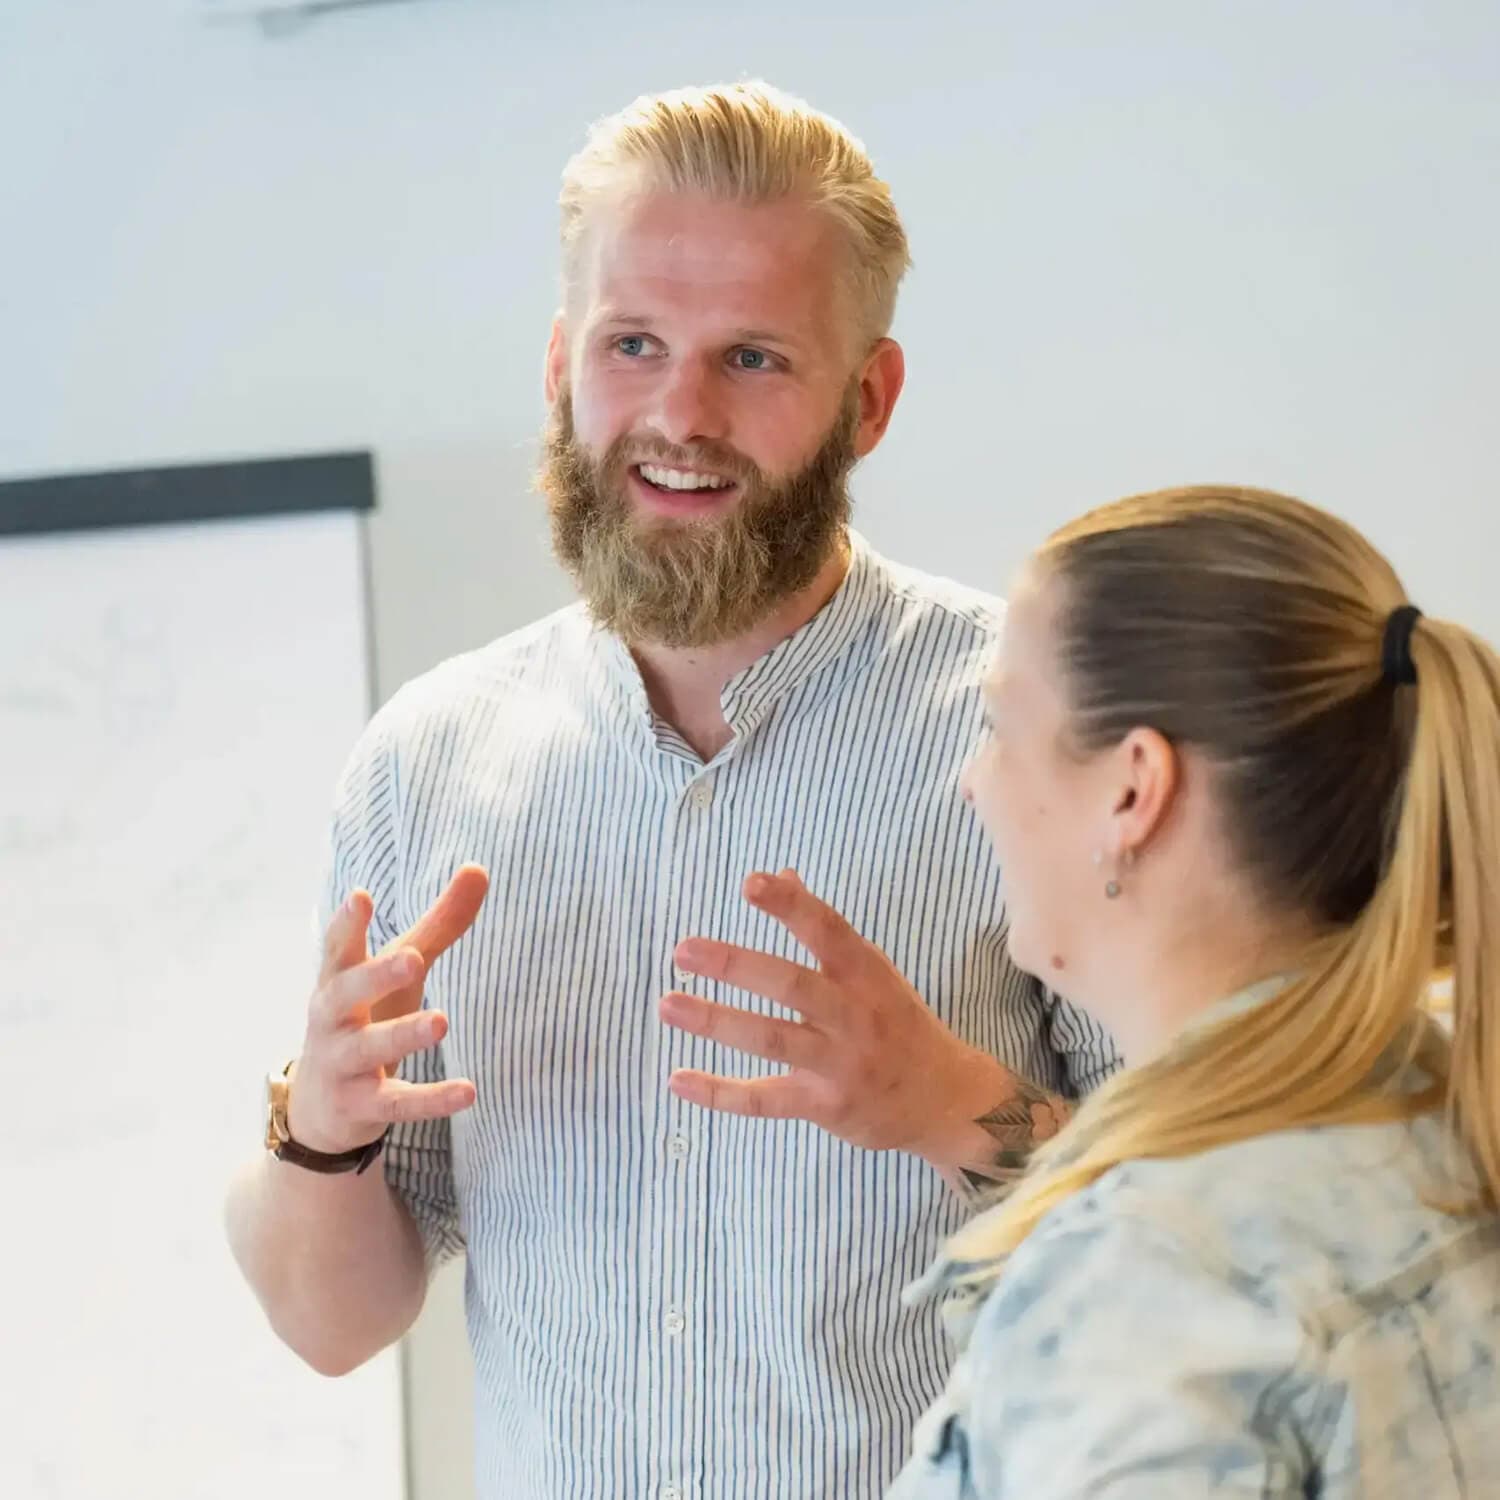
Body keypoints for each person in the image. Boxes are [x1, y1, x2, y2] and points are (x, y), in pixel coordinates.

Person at [224, 81, 1118, 1499]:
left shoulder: (1044, 731)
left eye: (753, 357)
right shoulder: (428, 760)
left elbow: (1216, 1235)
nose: (678, 416)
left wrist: (952, 1105)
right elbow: (332, 1326)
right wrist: (320, 1133)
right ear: (560, 366)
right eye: (632, 345)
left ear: (868, 399)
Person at [888, 484, 1500, 1498]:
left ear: (1134, 788)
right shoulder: (1445, 1112)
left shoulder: (1149, 1280)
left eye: (999, 727)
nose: (975, 780)